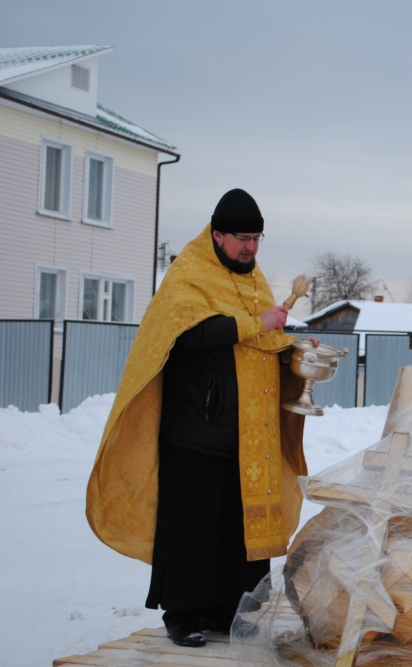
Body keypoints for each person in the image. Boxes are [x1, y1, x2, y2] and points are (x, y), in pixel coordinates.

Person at [87, 189, 316, 647]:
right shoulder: (188, 275)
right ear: (217, 235)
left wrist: (295, 353)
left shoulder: (256, 281)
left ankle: (235, 611)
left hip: (247, 433)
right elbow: (192, 335)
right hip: (193, 428)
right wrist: (257, 325)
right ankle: (184, 615)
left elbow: (261, 342)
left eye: (256, 238)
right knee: (193, 527)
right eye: (241, 238)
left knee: (236, 527)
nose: (249, 247)